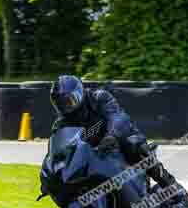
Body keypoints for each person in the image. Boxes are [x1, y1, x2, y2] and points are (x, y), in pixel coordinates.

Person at [49, 75, 177, 189]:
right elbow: (56, 152)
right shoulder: (61, 125)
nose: (66, 107)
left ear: (80, 93)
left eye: (69, 101)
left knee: (134, 144)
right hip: (92, 156)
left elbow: (118, 117)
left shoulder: (99, 98)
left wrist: (112, 135)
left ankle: (170, 186)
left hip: (116, 142)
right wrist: (50, 174)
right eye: (61, 104)